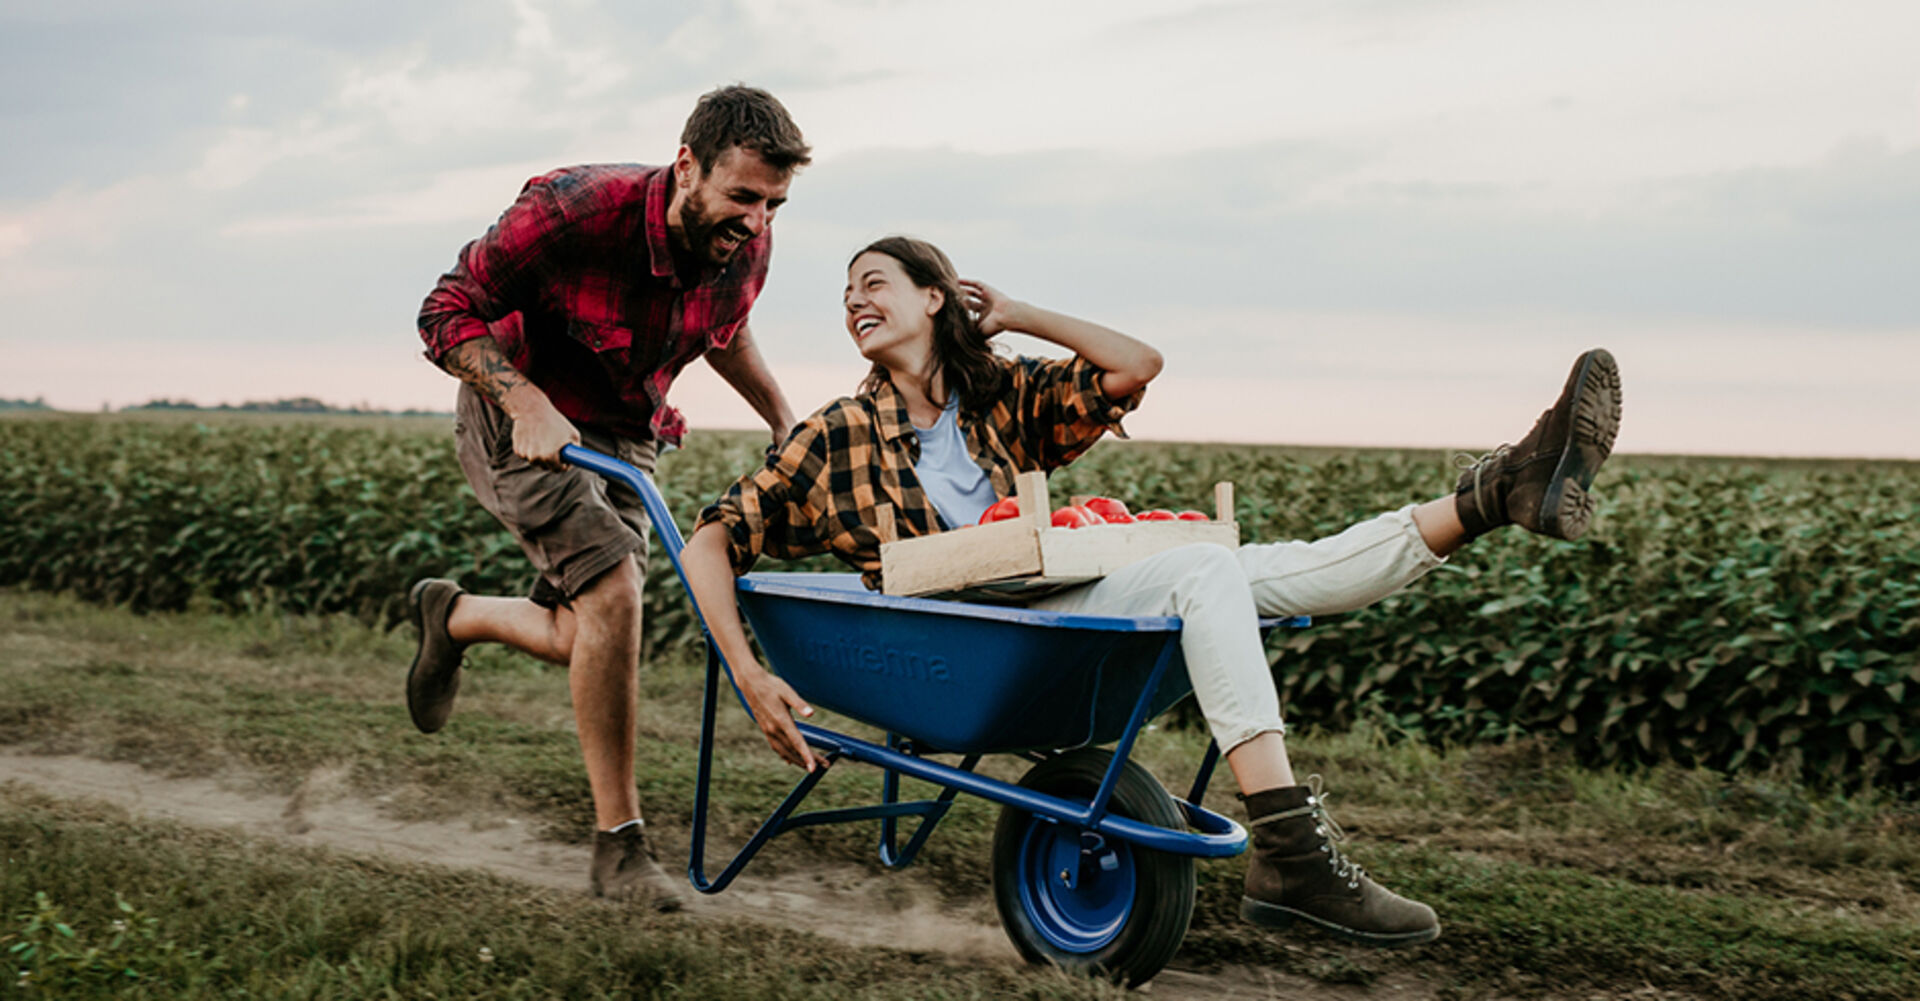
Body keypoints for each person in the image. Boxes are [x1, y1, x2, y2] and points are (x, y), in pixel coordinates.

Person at [682, 236, 1622, 946]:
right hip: (972, 636)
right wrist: (752, 672)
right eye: (845, 294)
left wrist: (1012, 311)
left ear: (938, 297)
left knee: (1277, 568)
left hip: (1041, 622)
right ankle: (1290, 849)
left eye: (874, 282)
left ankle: (1494, 493)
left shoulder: (1000, 395)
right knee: (1211, 570)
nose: (854, 301)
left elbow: (1134, 364)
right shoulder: (834, 431)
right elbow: (713, 538)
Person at [404, 84, 811, 911]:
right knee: (615, 592)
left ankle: (452, 616)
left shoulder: (748, 241)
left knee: (588, 630)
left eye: (775, 203)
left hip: (626, 427)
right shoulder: (574, 210)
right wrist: (523, 401)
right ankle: (618, 847)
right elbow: (444, 312)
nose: (758, 221)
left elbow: (720, 329)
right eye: (743, 197)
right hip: (516, 414)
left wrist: (783, 418)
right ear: (687, 164)